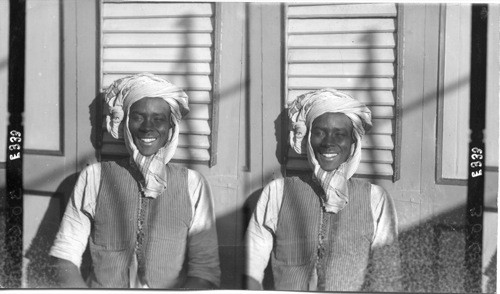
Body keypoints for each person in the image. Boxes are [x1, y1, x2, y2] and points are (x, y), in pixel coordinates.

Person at [49, 73, 220, 288]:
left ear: (171, 126)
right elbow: (65, 254)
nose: (148, 127)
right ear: (127, 123)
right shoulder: (94, 177)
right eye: (139, 117)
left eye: (158, 118)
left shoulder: (193, 184)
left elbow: (205, 268)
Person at [245, 89, 402, 291]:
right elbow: (253, 261)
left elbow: (386, 273)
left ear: (353, 142)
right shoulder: (277, 192)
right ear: (308, 138)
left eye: (340, 134)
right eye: (319, 132)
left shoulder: (375, 198)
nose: (329, 142)